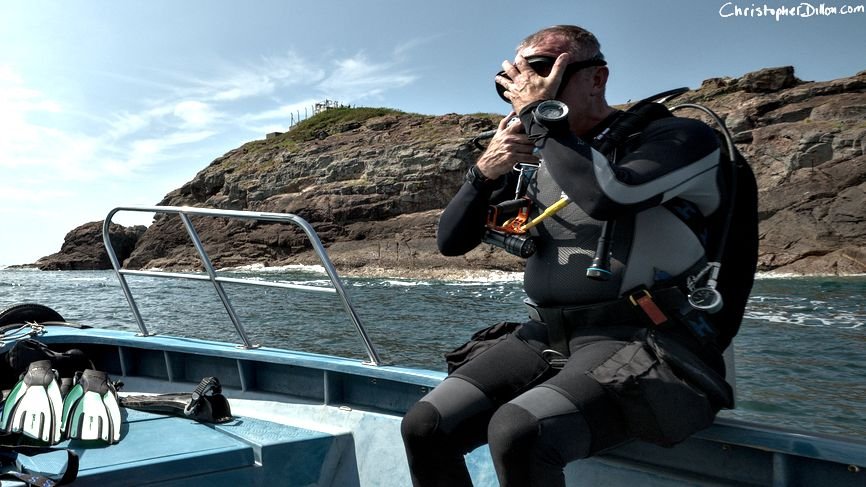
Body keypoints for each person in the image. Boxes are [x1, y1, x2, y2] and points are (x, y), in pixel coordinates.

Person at [401, 24, 757, 487]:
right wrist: (484, 174)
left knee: (519, 431)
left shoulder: (679, 139)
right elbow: (451, 242)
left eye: (544, 68)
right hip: (546, 333)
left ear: (597, 78)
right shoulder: (540, 152)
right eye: (516, 73)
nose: (527, 83)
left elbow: (610, 196)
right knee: (424, 426)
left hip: (643, 337)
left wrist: (541, 118)